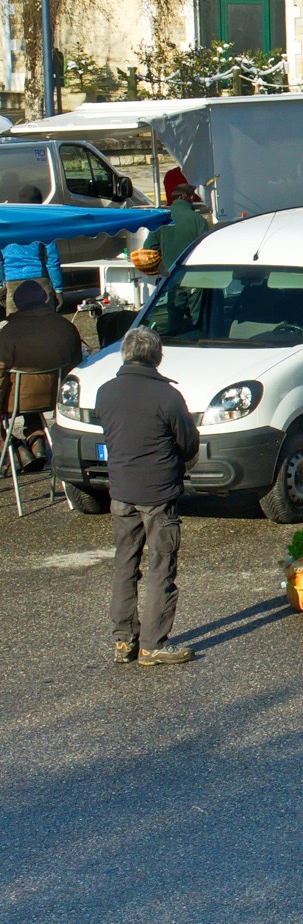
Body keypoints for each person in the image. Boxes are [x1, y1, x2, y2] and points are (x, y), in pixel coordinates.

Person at [100, 326, 199, 666]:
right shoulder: (167, 397)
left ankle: (123, 639)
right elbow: (189, 443)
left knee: (124, 564)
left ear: (125, 355)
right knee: (161, 565)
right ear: (157, 358)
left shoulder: (105, 392)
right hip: (158, 493)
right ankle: (153, 643)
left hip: (122, 490)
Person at [0, 278, 83, 464]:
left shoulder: (8, 332)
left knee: (22, 392)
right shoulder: (66, 327)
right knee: (31, 397)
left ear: (18, 303)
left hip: (17, 402)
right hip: (54, 396)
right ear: (45, 298)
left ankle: (12, 448)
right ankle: (35, 437)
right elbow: (76, 365)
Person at [3, 185, 61, 315]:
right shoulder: (43, 224)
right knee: (45, 322)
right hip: (40, 280)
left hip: (12, 282)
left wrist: (1, 284)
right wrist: (58, 289)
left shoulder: (6, 225)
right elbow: (52, 260)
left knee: (15, 326)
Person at [144, 183, 209, 273]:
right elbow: (206, 249)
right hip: (192, 273)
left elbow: (148, 248)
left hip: (169, 277)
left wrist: (163, 266)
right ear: (191, 197)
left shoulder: (160, 218)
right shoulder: (198, 220)